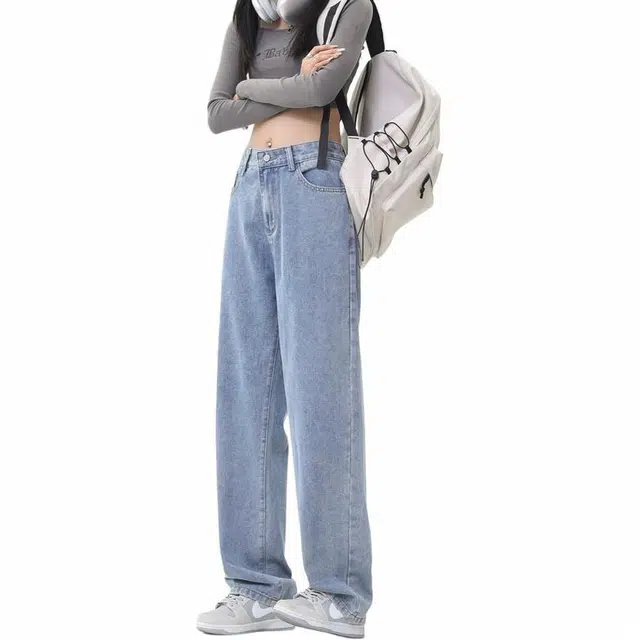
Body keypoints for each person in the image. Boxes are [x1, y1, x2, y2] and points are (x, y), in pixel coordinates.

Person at [198, 0, 374, 637]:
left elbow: (323, 91)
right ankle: (255, 586)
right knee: (246, 390)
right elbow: (216, 114)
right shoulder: (247, 17)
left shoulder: (347, 8)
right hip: (250, 185)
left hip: (314, 182)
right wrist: (288, 83)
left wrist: (254, 88)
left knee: (320, 388)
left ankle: (339, 595)